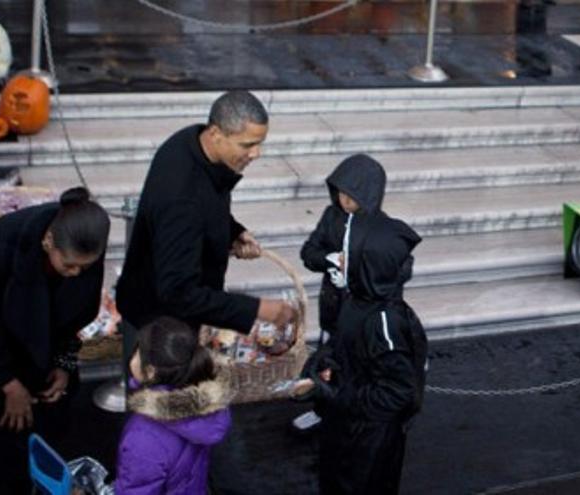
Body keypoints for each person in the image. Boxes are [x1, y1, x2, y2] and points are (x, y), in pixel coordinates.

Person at [0, 186, 110, 493]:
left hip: (41, 361)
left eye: (84, 268)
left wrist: (63, 363)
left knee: (44, 441)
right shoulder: (4, 243)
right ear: (48, 242)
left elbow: (73, 320)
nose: (76, 274)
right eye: (70, 265)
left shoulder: (84, 251)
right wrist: (8, 382)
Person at [116, 90, 297, 354]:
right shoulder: (181, 198)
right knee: (164, 394)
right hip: (160, 328)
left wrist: (233, 232)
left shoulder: (192, 142)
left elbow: (206, 206)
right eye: (247, 145)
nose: (256, 153)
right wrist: (258, 309)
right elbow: (179, 293)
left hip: (171, 313)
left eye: (260, 143)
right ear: (215, 134)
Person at [304, 212, 424, 495]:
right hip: (346, 425)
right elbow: (342, 345)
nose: (341, 259)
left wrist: (342, 394)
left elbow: (398, 391)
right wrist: (322, 365)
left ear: (370, 265)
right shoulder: (358, 300)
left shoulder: (384, 322)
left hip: (367, 438)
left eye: (348, 253)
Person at [293, 153, 388, 432]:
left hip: (362, 314)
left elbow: (399, 269)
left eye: (352, 196)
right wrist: (331, 259)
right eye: (341, 194)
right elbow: (309, 253)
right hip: (334, 308)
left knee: (358, 368)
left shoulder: (383, 228)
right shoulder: (331, 216)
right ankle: (323, 409)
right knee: (328, 364)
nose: (344, 201)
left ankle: (353, 414)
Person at [115, 316, 232, 494]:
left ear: (150, 371)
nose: (134, 355)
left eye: (139, 351)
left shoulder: (142, 436)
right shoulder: (208, 405)